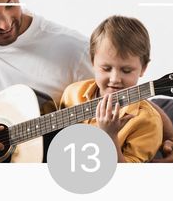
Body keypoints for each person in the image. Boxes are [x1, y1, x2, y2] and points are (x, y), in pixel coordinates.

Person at [0, 0, 173, 162]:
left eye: (11, 3)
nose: (6, 22)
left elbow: (126, 96)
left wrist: (172, 140)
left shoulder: (73, 51)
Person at [61, 15, 163, 162]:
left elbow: (128, 177)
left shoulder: (147, 121)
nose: (115, 79)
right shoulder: (72, 93)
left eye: (126, 70)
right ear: (92, 61)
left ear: (143, 68)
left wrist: (110, 135)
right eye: (106, 68)